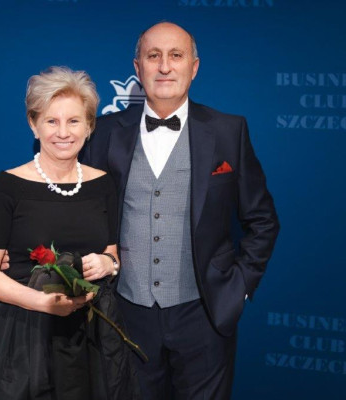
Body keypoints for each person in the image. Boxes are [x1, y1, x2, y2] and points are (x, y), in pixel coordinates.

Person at [81, 22, 280, 399]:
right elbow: (73, 205)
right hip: (126, 313)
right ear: (137, 67)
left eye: (176, 55)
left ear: (194, 67)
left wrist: (238, 289)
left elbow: (263, 220)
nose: (164, 66)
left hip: (205, 313)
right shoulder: (102, 133)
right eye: (153, 56)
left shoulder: (229, 131)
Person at [0, 66, 139, 400]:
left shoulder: (103, 184)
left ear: (89, 126)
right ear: (33, 124)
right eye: (51, 121)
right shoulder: (8, 186)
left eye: (74, 121)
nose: (63, 132)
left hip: (93, 335)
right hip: (27, 335)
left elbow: (111, 253)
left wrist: (108, 263)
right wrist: (42, 303)